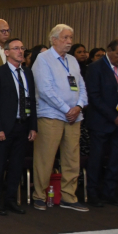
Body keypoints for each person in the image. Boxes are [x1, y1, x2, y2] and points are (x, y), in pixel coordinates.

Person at [31, 24, 89, 212]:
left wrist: (79, 106)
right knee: (45, 157)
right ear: (54, 39)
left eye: (71, 38)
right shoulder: (43, 58)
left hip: (74, 117)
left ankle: (69, 196)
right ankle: (39, 195)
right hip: (51, 115)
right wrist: (67, 109)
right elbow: (44, 89)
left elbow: (81, 86)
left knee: (72, 158)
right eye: (65, 38)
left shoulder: (72, 60)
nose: (69, 41)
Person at [0, 38, 37, 216]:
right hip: (4, 127)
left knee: (16, 166)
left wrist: (33, 126)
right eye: (16, 48)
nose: (20, 51)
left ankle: (10, 200)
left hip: (22, 125)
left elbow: (32, 100)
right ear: (7, 52)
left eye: (22, 48)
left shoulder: (28, 73)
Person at [85, 38, 118, 207]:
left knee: (116, 159)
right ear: (109, 51)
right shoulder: (95, 68)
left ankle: (110, 193)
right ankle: (93, 193)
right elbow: (94, 96)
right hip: (102, 121)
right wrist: (113, 116)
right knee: (96, 159)